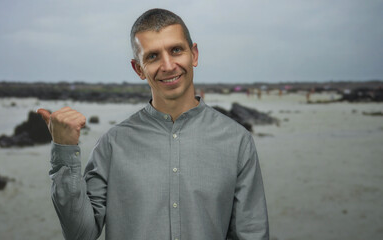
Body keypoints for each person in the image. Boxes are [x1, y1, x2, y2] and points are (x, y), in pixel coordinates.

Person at [37, 8, 269, 240]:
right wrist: (64, 150)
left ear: (194, 54)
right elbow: (80, 235)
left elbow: (252, 235)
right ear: (138, 68)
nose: (168, 66)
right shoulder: (112, 144)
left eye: (176, 50)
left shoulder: (237, 141)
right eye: (153, 56)